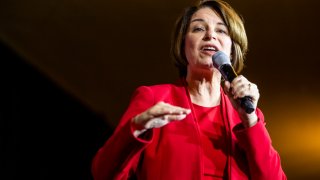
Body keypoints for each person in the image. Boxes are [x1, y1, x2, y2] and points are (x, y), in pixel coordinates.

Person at [91, 0, 287, 179]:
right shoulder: (154, 98)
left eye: (221, 31)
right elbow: (103, 173)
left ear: (232, 49)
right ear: (183, 44)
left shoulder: (246, 117)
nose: (210, 35)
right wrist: (137, 127)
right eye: (199, 28)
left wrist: (251, 121)